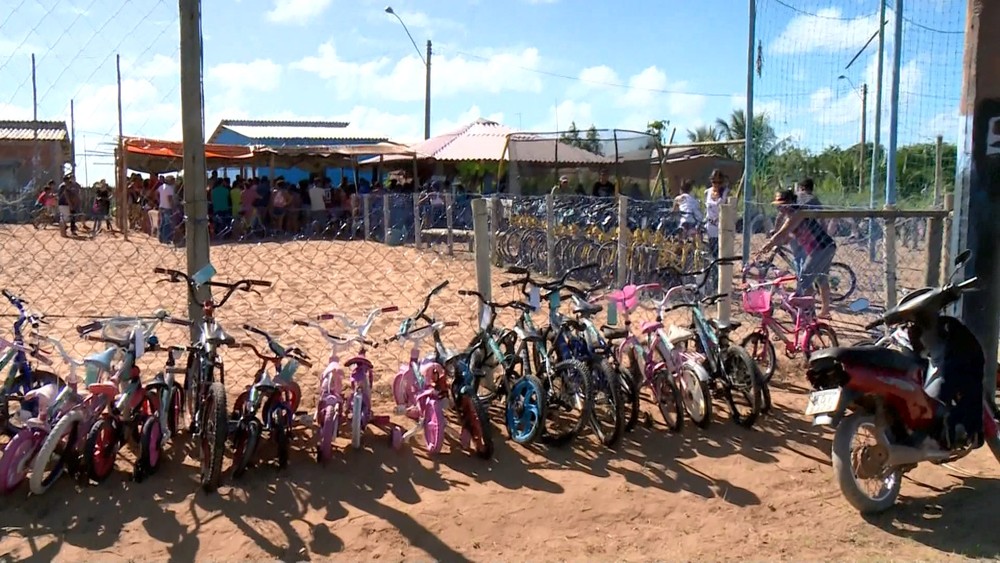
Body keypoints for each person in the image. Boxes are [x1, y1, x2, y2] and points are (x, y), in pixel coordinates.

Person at [757, 188, 836, 318]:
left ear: (791, 202)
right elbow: (787, 237)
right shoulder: (792, 216)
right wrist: (777, 243)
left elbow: (783, 232)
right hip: (825, 247)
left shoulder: (797, 214)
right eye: (778, 205)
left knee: (804, 279)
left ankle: (808, 314)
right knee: (821, 279)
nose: (779, 208)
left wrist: (769, 244)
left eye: (782, 205)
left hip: (820, 248)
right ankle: (824, 311)